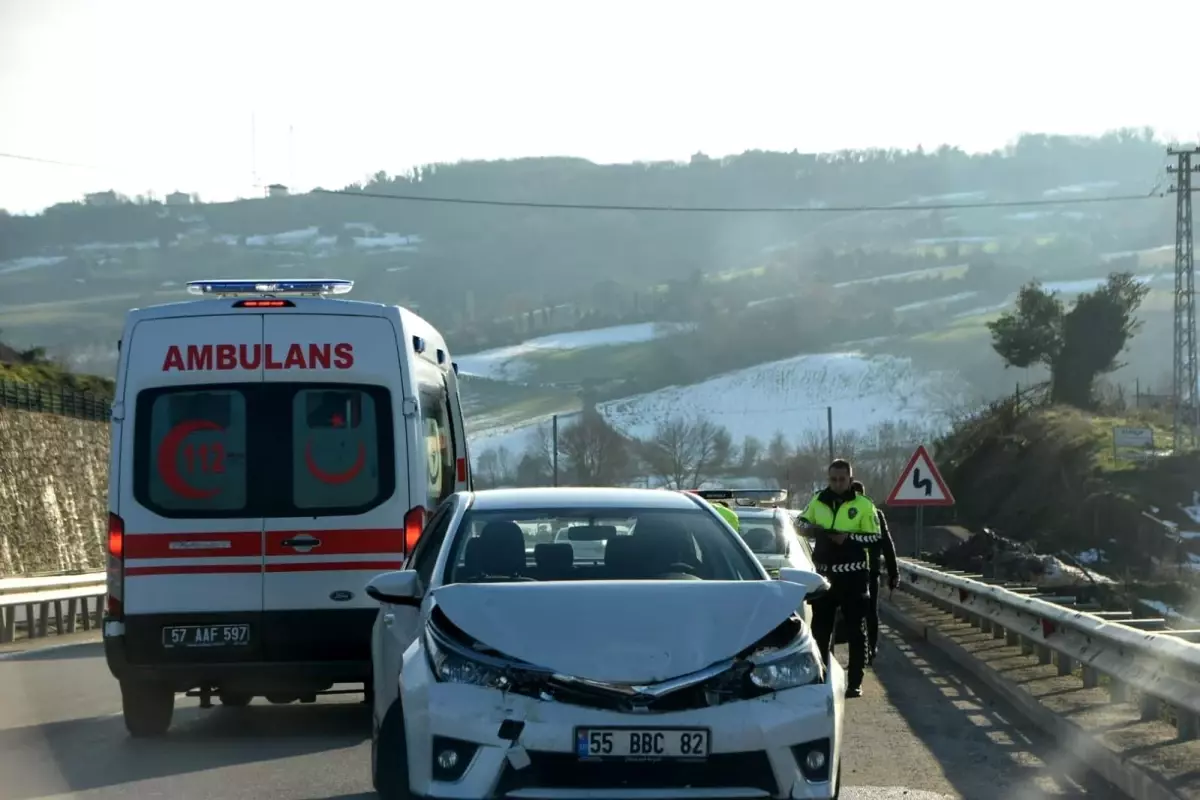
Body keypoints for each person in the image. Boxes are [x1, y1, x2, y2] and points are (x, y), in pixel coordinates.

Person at [798, 459, 881, 698]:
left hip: (853, 576)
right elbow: (799, 522)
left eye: (842, 479)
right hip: (824, 575)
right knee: (820, 632)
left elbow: (875, 538)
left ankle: (855, 681)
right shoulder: (818, 500)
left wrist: (849, 538)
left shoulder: (864, 505)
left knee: (856, 631)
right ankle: (819, 678)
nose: (837, 484)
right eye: (833, 479)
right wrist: (816, 530)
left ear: (850, 479)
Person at [851, 480, 899, 665]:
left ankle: (870, 647)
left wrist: (894, 573)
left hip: (867, 572)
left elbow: (887, 546)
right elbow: (888, 546)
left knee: (869, 611)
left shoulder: (875, 516)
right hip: (858, 572)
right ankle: (868, 648)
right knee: (867, 611)